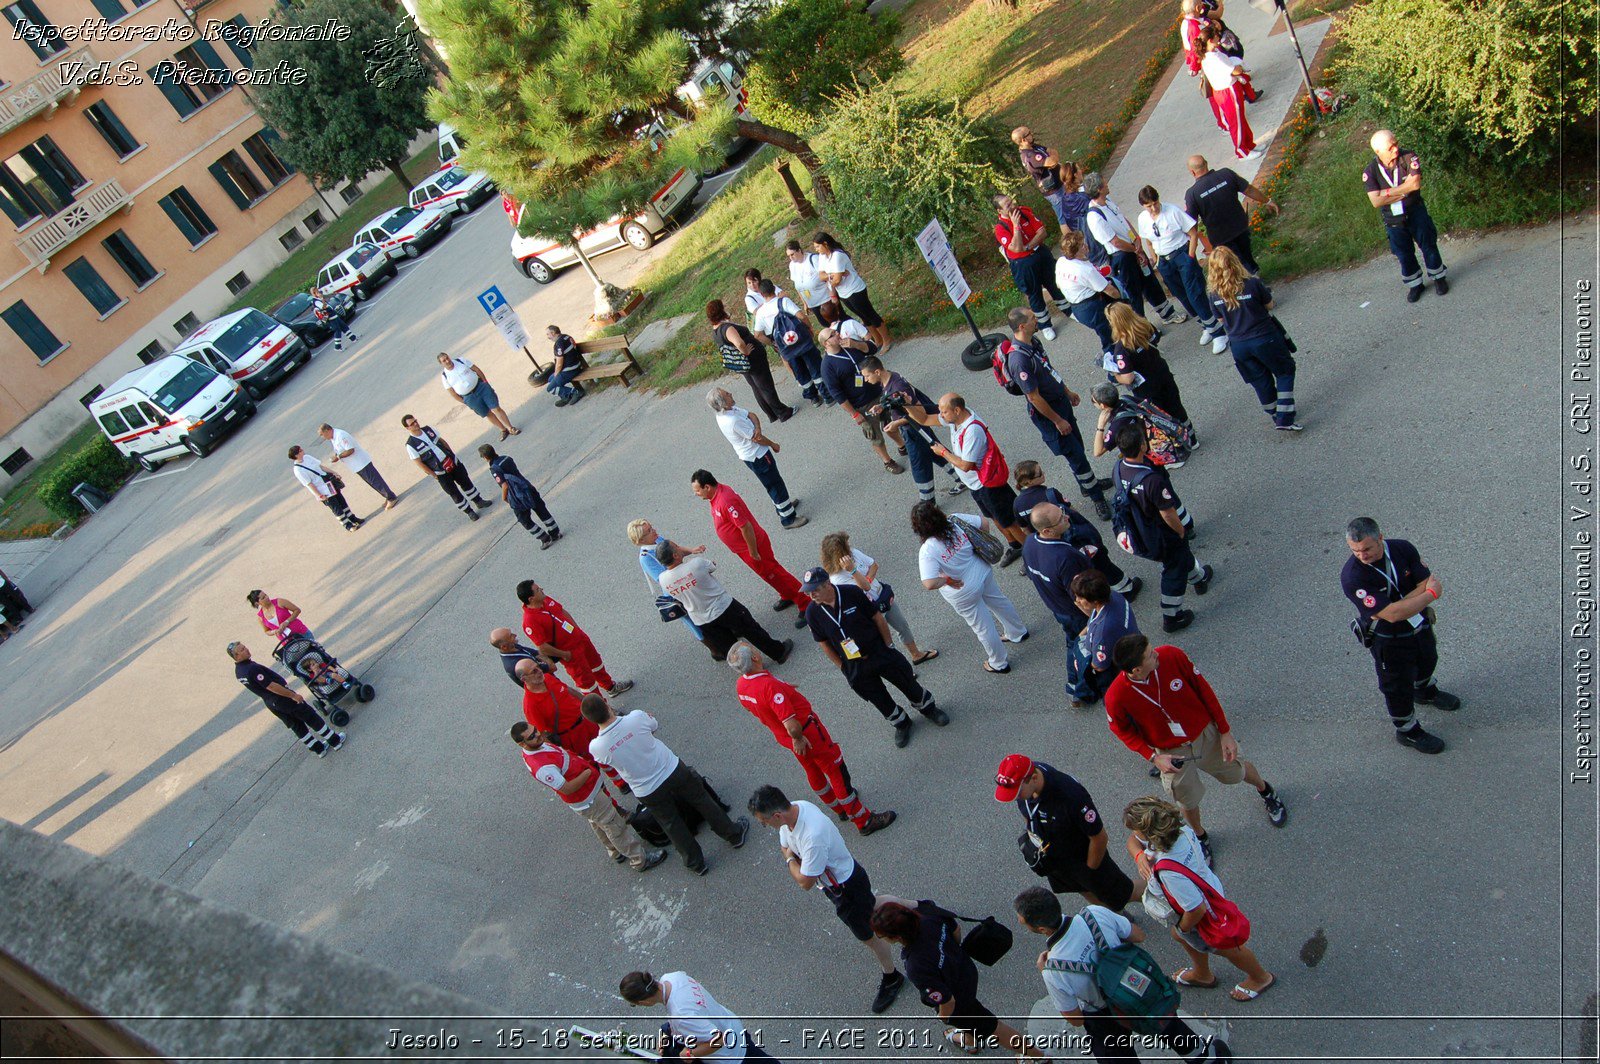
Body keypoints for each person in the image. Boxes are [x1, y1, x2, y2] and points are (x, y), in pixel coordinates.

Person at [1106, 636, 1288, 865]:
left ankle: (1266, 791)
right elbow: (1120, 729)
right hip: (1171, 751)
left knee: (1236, 771)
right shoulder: (1116, 696)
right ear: (1136, 669)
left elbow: (1204, 690)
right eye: (1151, 655)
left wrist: (1225, 731)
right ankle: (1201, 836)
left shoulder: (1172, 655)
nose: (1157, 654)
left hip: (1205, 733)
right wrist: (1153, 757)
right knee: (1187, 800)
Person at [1014, 887, 1234, 1063]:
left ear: (1042, 929)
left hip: (1104, 1016)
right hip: (1135, 986)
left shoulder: (1053, 970)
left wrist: (1045, 970)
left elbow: (1076, 1019)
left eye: (1023, 921)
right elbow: (1138, 936)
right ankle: (1208, 1060)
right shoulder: (1094, 913)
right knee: (1169, 1026)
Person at [747, 785, 904, 1014]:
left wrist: (789, 860)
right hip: (847, 878)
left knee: (868, 934)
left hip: (845, 889)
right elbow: (784, 843)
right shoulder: (796, 809)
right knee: (872, 903)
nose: (765, 825)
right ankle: (918, 908)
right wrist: (789, 854)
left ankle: (892, 976)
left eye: (764, 821)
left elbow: (804, 882)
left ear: (777, 815)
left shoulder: (812, 836)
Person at [1124, 795, 1276, 1002]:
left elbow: (1196, 908)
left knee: (1228, 948)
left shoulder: (1169, 871)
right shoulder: (1181, 831)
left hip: (1202, 915)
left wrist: (1184, 928)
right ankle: (1201, 973)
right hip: (1206, 891)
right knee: (1181, 937)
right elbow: (1133, 842)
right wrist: (1140, 855)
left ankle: (1260, 978)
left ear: (1151, 834)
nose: (1133, 834)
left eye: (1136, 829)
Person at [729, 644, 894, 832]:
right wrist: (798, 737)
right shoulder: (769, 687)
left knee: (812, 770)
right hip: (806, 734)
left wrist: (784, 692)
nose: (757, 651)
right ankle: (863, 820)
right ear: (755, 659)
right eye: (754, 650)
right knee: (835, 769)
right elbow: (791, 724)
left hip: (787, 739)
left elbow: (758, 705)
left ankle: (839, 809)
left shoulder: (742, 684)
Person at [585, 695, 750, 875]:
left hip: (646, 789)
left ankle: (696, 863)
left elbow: (608, 764)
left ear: (590, 720)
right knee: (701, 800)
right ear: (607, 705)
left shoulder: (596, 747)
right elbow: (653, 726)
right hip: (671, 769)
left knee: (670, 823)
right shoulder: (636, 717)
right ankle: (733, 834)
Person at [1341, 517, 1461, 754]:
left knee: (1428, 658)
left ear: (1380, 539)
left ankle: (1424, 690)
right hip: (1389, 639)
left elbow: (1426, 580)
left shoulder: (1402, 548)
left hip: (1419, 624)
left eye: (1366, 549)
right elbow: (1394, 614)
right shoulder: (1353, 576)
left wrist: (1403, 605)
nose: (1361, 555)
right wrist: (1428, 596)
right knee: (1396, 686)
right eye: (1355, 551)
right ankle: (1407, 730)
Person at [870, 900, 1047, 1059]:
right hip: (966, 970)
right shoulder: (928, 915)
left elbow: (947, 1000)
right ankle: (970, 1042)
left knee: (992, 1027)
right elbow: (956, 929)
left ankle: (1037, 1056)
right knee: (971, 1022)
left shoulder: (916, 966)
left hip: (958, 999)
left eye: (881, 936)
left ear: (897, 937)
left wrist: (944, 1017)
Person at [801, 568, 948, 748]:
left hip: (878, 650)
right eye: (808, 590)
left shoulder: (852, 592)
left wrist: (888, 645)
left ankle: (929, 709)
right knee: (878, 698)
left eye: (815, 589)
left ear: (828, 584)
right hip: (854, 664)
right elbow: (824, 644)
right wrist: (843, 668)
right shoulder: (812, 613)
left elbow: (877, 617)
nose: (811, 594)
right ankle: (901, 723)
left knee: (906, 681)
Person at [1000, 309, 1114, 520]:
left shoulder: (1033, 342)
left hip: (1060, 404)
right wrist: (1058, 420)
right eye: (1033, 318)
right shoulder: (1019, 360)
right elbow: (1033, 397)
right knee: (1076, 456)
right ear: (1022, 326)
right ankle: (1097, 497)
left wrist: (1066, 391)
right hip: (1049, 414)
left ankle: (1087, 484)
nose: (1038, 319)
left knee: (1077, 446)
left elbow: (1048, 370)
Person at [509, 720, 666, 872]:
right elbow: (567, 788)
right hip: (589, 798)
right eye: (531, 736)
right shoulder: (542, 768)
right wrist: (588, 772)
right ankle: (639, 859)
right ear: (522, 744)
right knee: (614, 826)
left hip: (588, 797)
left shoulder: (537, 746)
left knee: (598, 823)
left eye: (535, 729)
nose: (537, 734)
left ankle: (614, 851)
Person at [997, 755, 1137, 911]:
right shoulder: (1024, 781)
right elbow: (1027, 813)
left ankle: (1162, 893)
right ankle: (1118, 919)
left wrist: (1090, 871)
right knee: (1083, 890)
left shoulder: (1070, 796)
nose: (1015, 797)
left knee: (1125, 893)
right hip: (1056, 859)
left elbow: (1099, 837)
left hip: (1085, 857)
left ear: (1034, 778)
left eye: (1017, 792)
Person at [1112, 424, 1211, 630]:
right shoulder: (1152, 481)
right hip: (1160, 534)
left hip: (1138, 531)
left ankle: (1198, 578)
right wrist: (1180, 530)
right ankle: (1172, 616)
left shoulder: (1118, 468)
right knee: (1173, 568)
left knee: (1181, 556)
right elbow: (1168, 513)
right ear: (1141, 446)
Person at [912, 500, 1029, 675]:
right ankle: (1017, 631)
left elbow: (929, 583)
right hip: (981, 569)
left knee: (983, 626)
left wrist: (947, 581)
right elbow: (984, 523)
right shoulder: (955, 521)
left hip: (963, 589)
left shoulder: (927, 549)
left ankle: (999, 662)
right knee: (998, 601)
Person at [1012, 461, 1142, 603]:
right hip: (1075, 540)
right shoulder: (1050, 494)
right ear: (1029, 481)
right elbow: (1072, 512)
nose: (1044, 474)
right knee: (1102, 563)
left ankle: (1098, 598)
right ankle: (1126, 589)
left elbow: (1025, 529)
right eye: (1040, 474)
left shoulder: (1018, 504)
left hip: (1054, 545)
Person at [692, 469, 811, 622]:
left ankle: (805, 603)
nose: (696, 494)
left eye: (697, 490)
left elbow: (745, 527)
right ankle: (787, 594)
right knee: (770, 575)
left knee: (777, 573)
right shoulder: (716, 496)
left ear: (707, 487)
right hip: (746, 549)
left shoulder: (724, 501)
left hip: (754, 548)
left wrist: (753, 551)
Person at [1205, 247, 1302, 431]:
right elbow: (1270, 305)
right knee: (1284, 371)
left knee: (1260, 381)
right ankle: (1285, 416)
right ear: (1235, 262)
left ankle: (1274, 413)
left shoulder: (1213, 294)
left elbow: (1220, 319)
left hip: (1239, 346)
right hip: (1265, 338)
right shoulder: (1251, 284)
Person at [656, 540, 794, 663]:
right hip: (724, 607)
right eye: (677, 547)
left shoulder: (663, 579)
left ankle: (749, 669)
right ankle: (778, 652)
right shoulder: (696, 563)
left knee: (730, 647)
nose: (680, 547)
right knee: (752, 630)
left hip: (701, 619)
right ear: (675, 555)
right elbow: (712, 567)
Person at [930, 393, 1026, 565]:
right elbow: (924, 419)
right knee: (996, 518)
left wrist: (943, 452)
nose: (941, 416)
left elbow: (966, 465)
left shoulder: (972, 430)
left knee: (1010, 522)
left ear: (957, 410)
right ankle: (1015, 546)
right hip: (976, 485)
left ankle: (1031, 554)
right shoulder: (957, 420)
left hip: (988, 484)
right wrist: (907, 405)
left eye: (944, 412)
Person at [1021, 502, 1101, 707]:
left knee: (1074, 644)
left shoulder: (1030, 543)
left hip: (1057, 607)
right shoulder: (1066, 557)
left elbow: (1032, 574)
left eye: (1062, 513)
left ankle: (1074, 687)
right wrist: (1097, 614)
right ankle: (1081, 690)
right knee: (1084, 647)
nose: (1066, 518)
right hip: (1076, 613)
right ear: (1047, 530)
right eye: (1060, 519)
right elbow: (1080, 596)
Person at [819, 530, 937, 664]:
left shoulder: (854, 553)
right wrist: (853, 571)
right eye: (846, 545)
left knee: (902, 626)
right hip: (870, 611)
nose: (850, 547)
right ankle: (901, 669)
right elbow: (864, 588)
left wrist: (867, 579)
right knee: (884, 642)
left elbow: (874, 565)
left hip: (882, 597)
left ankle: (916, 654)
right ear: (839, 553)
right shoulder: (837, 579)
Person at [1134, 186, 1227, 353]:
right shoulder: (1143, 218)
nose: (1153, 208)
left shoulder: (1172, 211)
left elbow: (1192, 233)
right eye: (1149, 206)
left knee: (1195, 294)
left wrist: (1191, 257)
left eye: (1155, 203)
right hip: (1164, 260)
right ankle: (1205, 324)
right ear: (1143, 206)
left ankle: (1218, 332)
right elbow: (1148, 240)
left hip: (1181, 254)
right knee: (1182, 295)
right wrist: (1154, 258)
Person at [860, 355, 966, 502]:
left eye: (866, 376)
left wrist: (896, 423)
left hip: (914, 430)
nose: (865, 380)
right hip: (917, 429)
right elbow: (893, 401)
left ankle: (928, 503)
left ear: (877, 372)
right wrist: (881, 406)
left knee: (920, 469)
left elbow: (920, 413)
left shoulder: (898, 387)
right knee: (936, 453)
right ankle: (961, 478)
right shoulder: (889, 379)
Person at [1082, 173, 1182, 325]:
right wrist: (1135, 250)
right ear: (1099, 189)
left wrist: (1137, 239)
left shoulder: (1107, 201)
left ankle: (1167, 313)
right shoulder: (1094, 216)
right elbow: (1115, 242)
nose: (1107, 184)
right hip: (1122, 256)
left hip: (1132, 247)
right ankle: (1142, 328)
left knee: (1150, 282)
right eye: (1104, 183)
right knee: (1133, 293)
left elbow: (1124, 221)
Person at [618, 971, 780, 1061]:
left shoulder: (681, 1016)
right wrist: (668, 1033)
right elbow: (692, 1009)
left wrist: (688, 1054)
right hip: (732, 1027)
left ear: (643, 1002)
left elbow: (718, 1040)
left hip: (732, 1057)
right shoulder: (672, 978)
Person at [1364, 129, 1449, 302]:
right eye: (1390, 147)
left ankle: (1439, 277)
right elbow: (1375, 202)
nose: (1396, 149)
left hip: (1415, 212)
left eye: (1396, 144)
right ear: (1378, 152)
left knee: (1429, 245)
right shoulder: (1370, 172)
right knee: (1404, 254)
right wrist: (1404, 190)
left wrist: (1386, 193)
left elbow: (1415, 184)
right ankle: (1415, 284)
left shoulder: (1409, 157)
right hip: (1393, 221)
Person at [518, 578, 634, 699]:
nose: (541, 590)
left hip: (581, 640)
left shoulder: (545, 599)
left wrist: (577, 630)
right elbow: (542, 647)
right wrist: (565, 654)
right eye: (537, 590)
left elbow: (562, 611)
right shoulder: (530, 621)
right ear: (531, 599)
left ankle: (610, 687)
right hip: (570, 652)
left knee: (596, 664)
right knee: (586, 682)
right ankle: (602, 710)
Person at [706, 391, 806, 529]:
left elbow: (751, 415)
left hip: (753, 455)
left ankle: (783, 507)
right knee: (776, 485)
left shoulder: (729, 411)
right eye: (727, 395)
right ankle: (788, 519)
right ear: (723, 403)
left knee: (772, 483)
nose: (730, 393)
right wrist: (773, 444)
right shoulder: (733, 421)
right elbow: (757, 438)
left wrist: (757, 428)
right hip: (758, 456)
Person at [228, 641, 345, 756]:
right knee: (310, 716)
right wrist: (293, 695)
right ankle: (335, 740)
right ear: (236, 656)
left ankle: (318, 749)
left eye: (245, 646)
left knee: (297, 726)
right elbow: (271, 686)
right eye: (242, 649)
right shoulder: (252, 668)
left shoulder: (239, 672)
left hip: (271, 703)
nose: (247, 649)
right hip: (282, 698)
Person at [817, 327, 904, 475]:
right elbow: (837, 394)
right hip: (862, 404)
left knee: (891, 422)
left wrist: (856, 344)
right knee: (875, 435)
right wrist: (855, 414)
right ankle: (887, 461)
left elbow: (871, 349)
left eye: (835, 331)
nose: (837, 334)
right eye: (832, 335)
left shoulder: (848, 345)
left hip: (879, 391)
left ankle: (902, 446)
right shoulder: (827, 367)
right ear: (826, 344)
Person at [1183, 155, 1276, 275]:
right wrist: (1267, 201)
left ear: (1192, 172)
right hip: (1240, 226)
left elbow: (1191, 221)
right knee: (1246, 256)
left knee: (1237, 264)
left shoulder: (1192, 194)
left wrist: (1189, 241)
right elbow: (1248, 190)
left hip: (1220, 236)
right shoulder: (1226, 174)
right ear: (1206, 163)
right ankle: (1255, 278)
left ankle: (1253, 283)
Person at [1105, 304, 1193, 430]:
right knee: (1176, 406)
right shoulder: (1145, 326)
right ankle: (1191, 437)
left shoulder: (1122, 348)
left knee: (1159, 417)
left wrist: (1116, 375)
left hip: (1146, 389)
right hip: (1163, 374)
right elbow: (1156, 338)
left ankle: (1176, 443)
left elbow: (1128, 378)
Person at [993, 193, 1068, 339]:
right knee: (1034, 294)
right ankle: (1045, 325)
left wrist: (1028, 247)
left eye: (1011, 202)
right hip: (1023, 265)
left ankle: (1068, 310)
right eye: (1008, 205)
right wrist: (1016, 227)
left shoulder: (1024, 212)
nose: (1013, 206)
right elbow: (1015, 248)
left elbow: (1042, 232)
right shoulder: (1001, 228)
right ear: (1000, 211)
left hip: (1041, 254)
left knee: (1054, 283)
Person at [708, 299, 793, 424]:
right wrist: (745, 351)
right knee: (766, 386)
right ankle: (783, 412)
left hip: (743, 364)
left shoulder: (716, 331)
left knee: (756, 387)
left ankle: (771, 414)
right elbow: (739, 343)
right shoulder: (726, 328)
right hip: (753, 360)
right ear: (720, 311)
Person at [629, 520, 708, 649]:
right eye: (649, 531)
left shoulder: (658, 539)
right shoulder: (646, 557)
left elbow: (676, 549)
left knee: (703, 607)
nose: (653, 530)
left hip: (684, 579)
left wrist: (692, 550)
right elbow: (663, 579)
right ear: (641, 540)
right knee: (693, 619)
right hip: (676, 590)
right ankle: (713, 646)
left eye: (651, 527)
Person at [402, 415, 492, 522]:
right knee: (454, 493)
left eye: (415, 421)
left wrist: (453, 456)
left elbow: (442, 442)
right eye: (412, 424)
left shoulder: (428, 430)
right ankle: (469, 512)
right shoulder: (411, 445)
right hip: (440, 472)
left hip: (452, 462)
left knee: (466, 482)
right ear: (407, 428)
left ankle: (479, 501)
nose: (416, 424)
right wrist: (434, 475)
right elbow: (419, 463)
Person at [812, 232, 890, 353]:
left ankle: (886, 340)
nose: (817, 250)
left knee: (870, 314)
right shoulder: (823, 257)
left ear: (825, 244)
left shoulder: (837, 255)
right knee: (863, 316)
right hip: (843, 293)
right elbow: (821, 276)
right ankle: (877, 339)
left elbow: (837, 281)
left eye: (818, 246)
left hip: (855, 290)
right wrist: (833, 275)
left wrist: (833, 278)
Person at [751, 280, 825, 406]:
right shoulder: (784, 301)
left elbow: (757, 334)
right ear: (774, 289)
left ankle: (813, 397)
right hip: (801, 340)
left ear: (762, 294)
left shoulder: (761, 313)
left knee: (799, 371)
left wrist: (773, 343)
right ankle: (827, 395)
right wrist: (809, 328)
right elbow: (801, 316)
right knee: (814, 365)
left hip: (785, 346)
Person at [1090, 381, 1194, 469]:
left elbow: (1097, 452)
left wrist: (1100, 426)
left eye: (1093, 401)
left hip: (1150, 448)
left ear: (1103, 405)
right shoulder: (1126, 399)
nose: (1093, 403)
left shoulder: (1118, 424)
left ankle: (1170, 459)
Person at [1072, 569, 1140, 703]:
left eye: (1080, 597)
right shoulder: (1113, 596)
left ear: (1095, 600)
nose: (1077, 600)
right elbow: (1094, 619)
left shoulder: (1104, 630)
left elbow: (1099, 665)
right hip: (1133, 645)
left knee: (1115, 699)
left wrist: (1082, 653)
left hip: (1119, 667)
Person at [1199, 25, 1261, 161]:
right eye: (1216, 36)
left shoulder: (1211, 54)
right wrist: (1239, 67)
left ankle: (1248, 145)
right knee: (1236, 122)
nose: (1218, 38)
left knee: (1240, 118)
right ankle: (1241, 151)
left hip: (1227, 89)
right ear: (1210, 40)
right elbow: (1235, 70)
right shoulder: (1214, 58)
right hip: (1227, 91)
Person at [478, 445, 560, 546]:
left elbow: (504, 485)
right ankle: (555, 533)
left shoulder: (494, 468)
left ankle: (544, 538)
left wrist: (504, 498)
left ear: (485, 457)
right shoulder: (507, 458)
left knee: (524, 519)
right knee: (542, 510)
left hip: (517, 496)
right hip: (528, 488)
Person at [1055, 231, 1120, 356]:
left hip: (1077, 308)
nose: (1086, 246)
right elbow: (1109, 290)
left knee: (1105, 333)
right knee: (1110, 337)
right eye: (1082, 245)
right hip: (1093, 307)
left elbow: (1058, 284)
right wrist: (1122, 298)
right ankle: (1115, 366)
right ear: (1075, 251)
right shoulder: (1085, 270)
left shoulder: (1062, 262)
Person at [436, 353, 519, 440]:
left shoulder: (460, 361)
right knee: (487, 413)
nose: (447, 361)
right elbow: (452, 393)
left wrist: (485, 382)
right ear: (441, 364)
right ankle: (503, 429)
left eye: (447, 358)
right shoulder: (444, 376)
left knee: (496, 408)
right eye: (444, 360)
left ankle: (510, 428)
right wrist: (465, 401)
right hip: (469, 397)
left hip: (481, 387)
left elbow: (476, 369)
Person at [320, 424, 397, 509]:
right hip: (356, 465)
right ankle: (387, 496)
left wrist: (338, 457)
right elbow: (339, 449)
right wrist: (336, 455)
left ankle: (391, 498)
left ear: (327, 431)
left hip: (361, 462)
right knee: (372, 483)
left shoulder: (341, 435)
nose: (323, 437)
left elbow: (350, 450)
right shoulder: (333, 438)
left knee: (376, 481)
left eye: (322, 434)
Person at [1011, 126, 1072, 234]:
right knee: (1063, 217)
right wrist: (1053, 157)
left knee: (1070, 210)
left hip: (1059, 183)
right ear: (1024, 140)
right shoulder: (1030, 156)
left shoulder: (1033, 147)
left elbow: (1051, 151)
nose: (1032, 134)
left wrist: (1052, 155)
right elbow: (1053, 160)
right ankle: (1071, 242)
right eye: (1029, 133)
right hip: (1054, 191)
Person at [289, 445, 362, 531]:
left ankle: (353, 518)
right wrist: (319, 495)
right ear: (296, 455)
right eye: (300, 450)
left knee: (341, 500)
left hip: (328, 483)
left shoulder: (307, 457)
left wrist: (334, 472)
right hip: (322, 490)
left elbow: (321, 467)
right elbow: (309, 484)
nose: (303, 451)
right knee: (336, 507)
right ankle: (348, 525)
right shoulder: (298, 470)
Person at [784, 240, 837, 328]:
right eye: (788, 256)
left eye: (792, 254)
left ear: (799, 250)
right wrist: (805, 302)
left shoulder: (813, 259)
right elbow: (797, 286)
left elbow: (828, 277)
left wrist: (833, 296)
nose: (791, 258)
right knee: (826, 325)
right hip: (812, 303)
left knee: (837, 322)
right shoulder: (792, 265)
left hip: (826, 300)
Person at [543, 325, 587, 407]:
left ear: (553, 333)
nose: (547, 337)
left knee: (550, 388)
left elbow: (559, 363)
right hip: (576, 365)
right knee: (550, 379)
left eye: (548, 334)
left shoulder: (559, 344)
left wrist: (556, 374)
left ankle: (575, 392)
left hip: (570, 370)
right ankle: (566, 396)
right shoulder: (566, 336)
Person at [309, 285, 358, 352]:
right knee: (337, 330)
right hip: (331, 318)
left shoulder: (318, 299)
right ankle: (337, 347)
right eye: (318, 291)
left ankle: (353, 338)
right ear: (314, 293)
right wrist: (322, 299)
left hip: (334, 316)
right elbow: (323, 307)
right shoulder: (316, 301)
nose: (320, 292)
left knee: (344, 326)